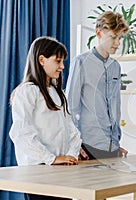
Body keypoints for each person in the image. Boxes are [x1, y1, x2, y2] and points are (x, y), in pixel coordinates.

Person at [9, 36, 82, 200]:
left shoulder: (58, 93)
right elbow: (21, 133)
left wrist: (71, 155)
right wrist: (51, 158)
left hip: (59, 170)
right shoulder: (27, 92)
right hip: (38, 171)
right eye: (58, 61)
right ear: (41, 60)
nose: (62, 66)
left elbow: (71, 131)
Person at [66, 11, 129, 159]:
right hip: (87, 145)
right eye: (113, 37)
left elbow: (115, 105)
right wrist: (75, 145)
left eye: (120, 38)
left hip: (112, 146)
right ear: (99, 33)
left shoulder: (115, 66)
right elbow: (70, 107)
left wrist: (115, 141)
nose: (117, 43)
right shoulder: (81, 62)